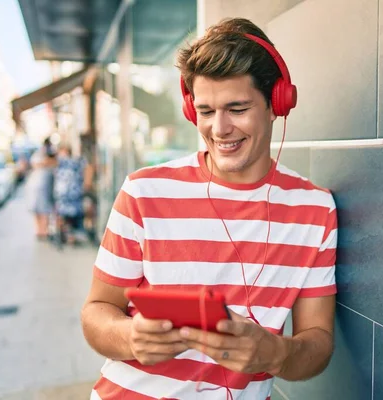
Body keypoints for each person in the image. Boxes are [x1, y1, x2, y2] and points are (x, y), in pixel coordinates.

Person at [81, 17, 338, 400]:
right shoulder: (143, 192)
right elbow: (97, 312)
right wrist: (130, 337)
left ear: (277, 104)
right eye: (205, 111)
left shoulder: (315, 210)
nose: (219, 129)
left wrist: (277, 353)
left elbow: (317, 343)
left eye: (236, 108)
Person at [53, 143, 89, 244]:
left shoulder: (75, 161)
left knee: (70, 215)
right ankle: (64, 235)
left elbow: (88, 166)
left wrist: (86, 183)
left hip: (72, 193)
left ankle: (69, 236)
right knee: (63, 215)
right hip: (63, 193)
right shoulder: (60, 162)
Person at [26, 137, 56, 239]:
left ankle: (43, 230)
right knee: (38, 208)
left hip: (45, 184)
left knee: (43, 208)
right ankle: (40, 230)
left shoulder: (50, 154)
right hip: (38, 185)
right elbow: (35, 164)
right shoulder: (40, 154)